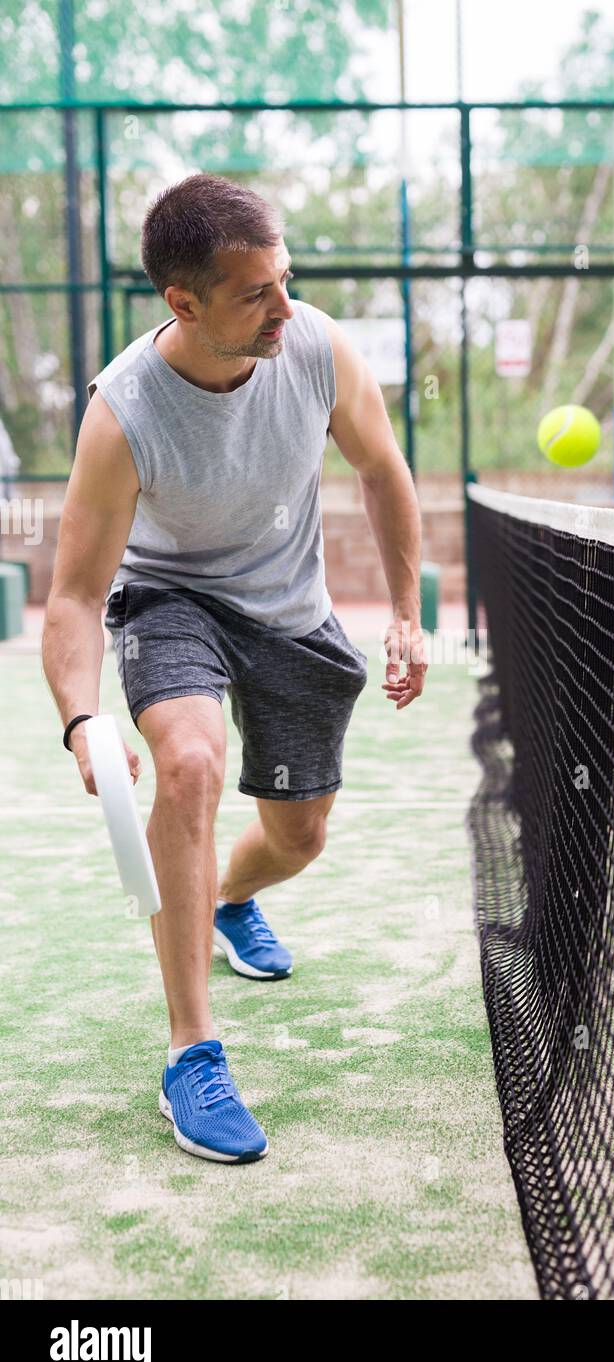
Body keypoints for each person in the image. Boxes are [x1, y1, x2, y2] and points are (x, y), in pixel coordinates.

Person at [42, 174, 427, 1164]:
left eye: (284, 281)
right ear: (185, 303)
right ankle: (191, 1051)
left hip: (292, 614)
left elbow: (382, 470)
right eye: (255, 293)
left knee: (299, 837)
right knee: (190, 766)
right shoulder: (123, 411)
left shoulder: (315, 348)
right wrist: (85, 720)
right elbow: (78, 593)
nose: (283, 309)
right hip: (170, 603)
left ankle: (221, 897)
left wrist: (408, 616)